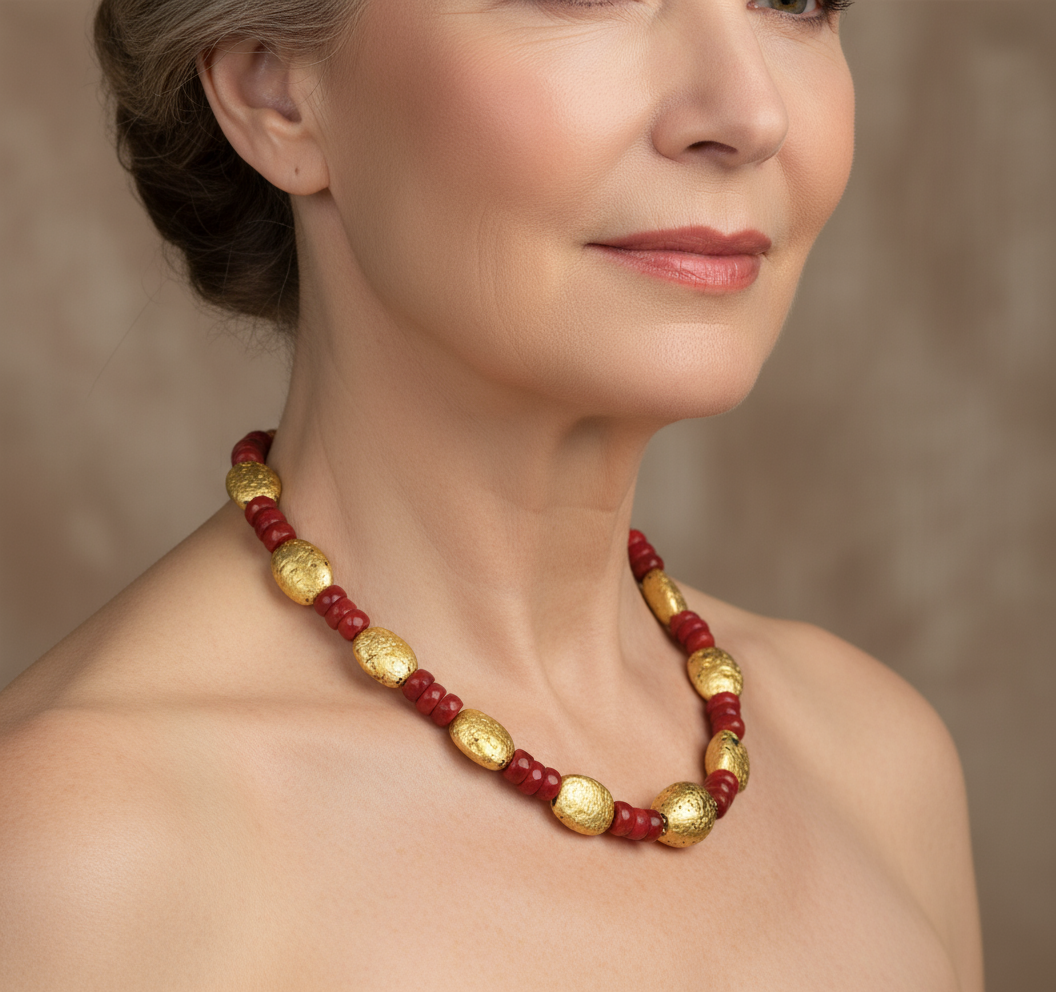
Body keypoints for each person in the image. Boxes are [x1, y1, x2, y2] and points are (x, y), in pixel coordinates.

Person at [0, 0, 984, 988]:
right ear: (275, 92)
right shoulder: (77, 856)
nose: (749, 112)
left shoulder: (879, 764)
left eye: (797, 0)